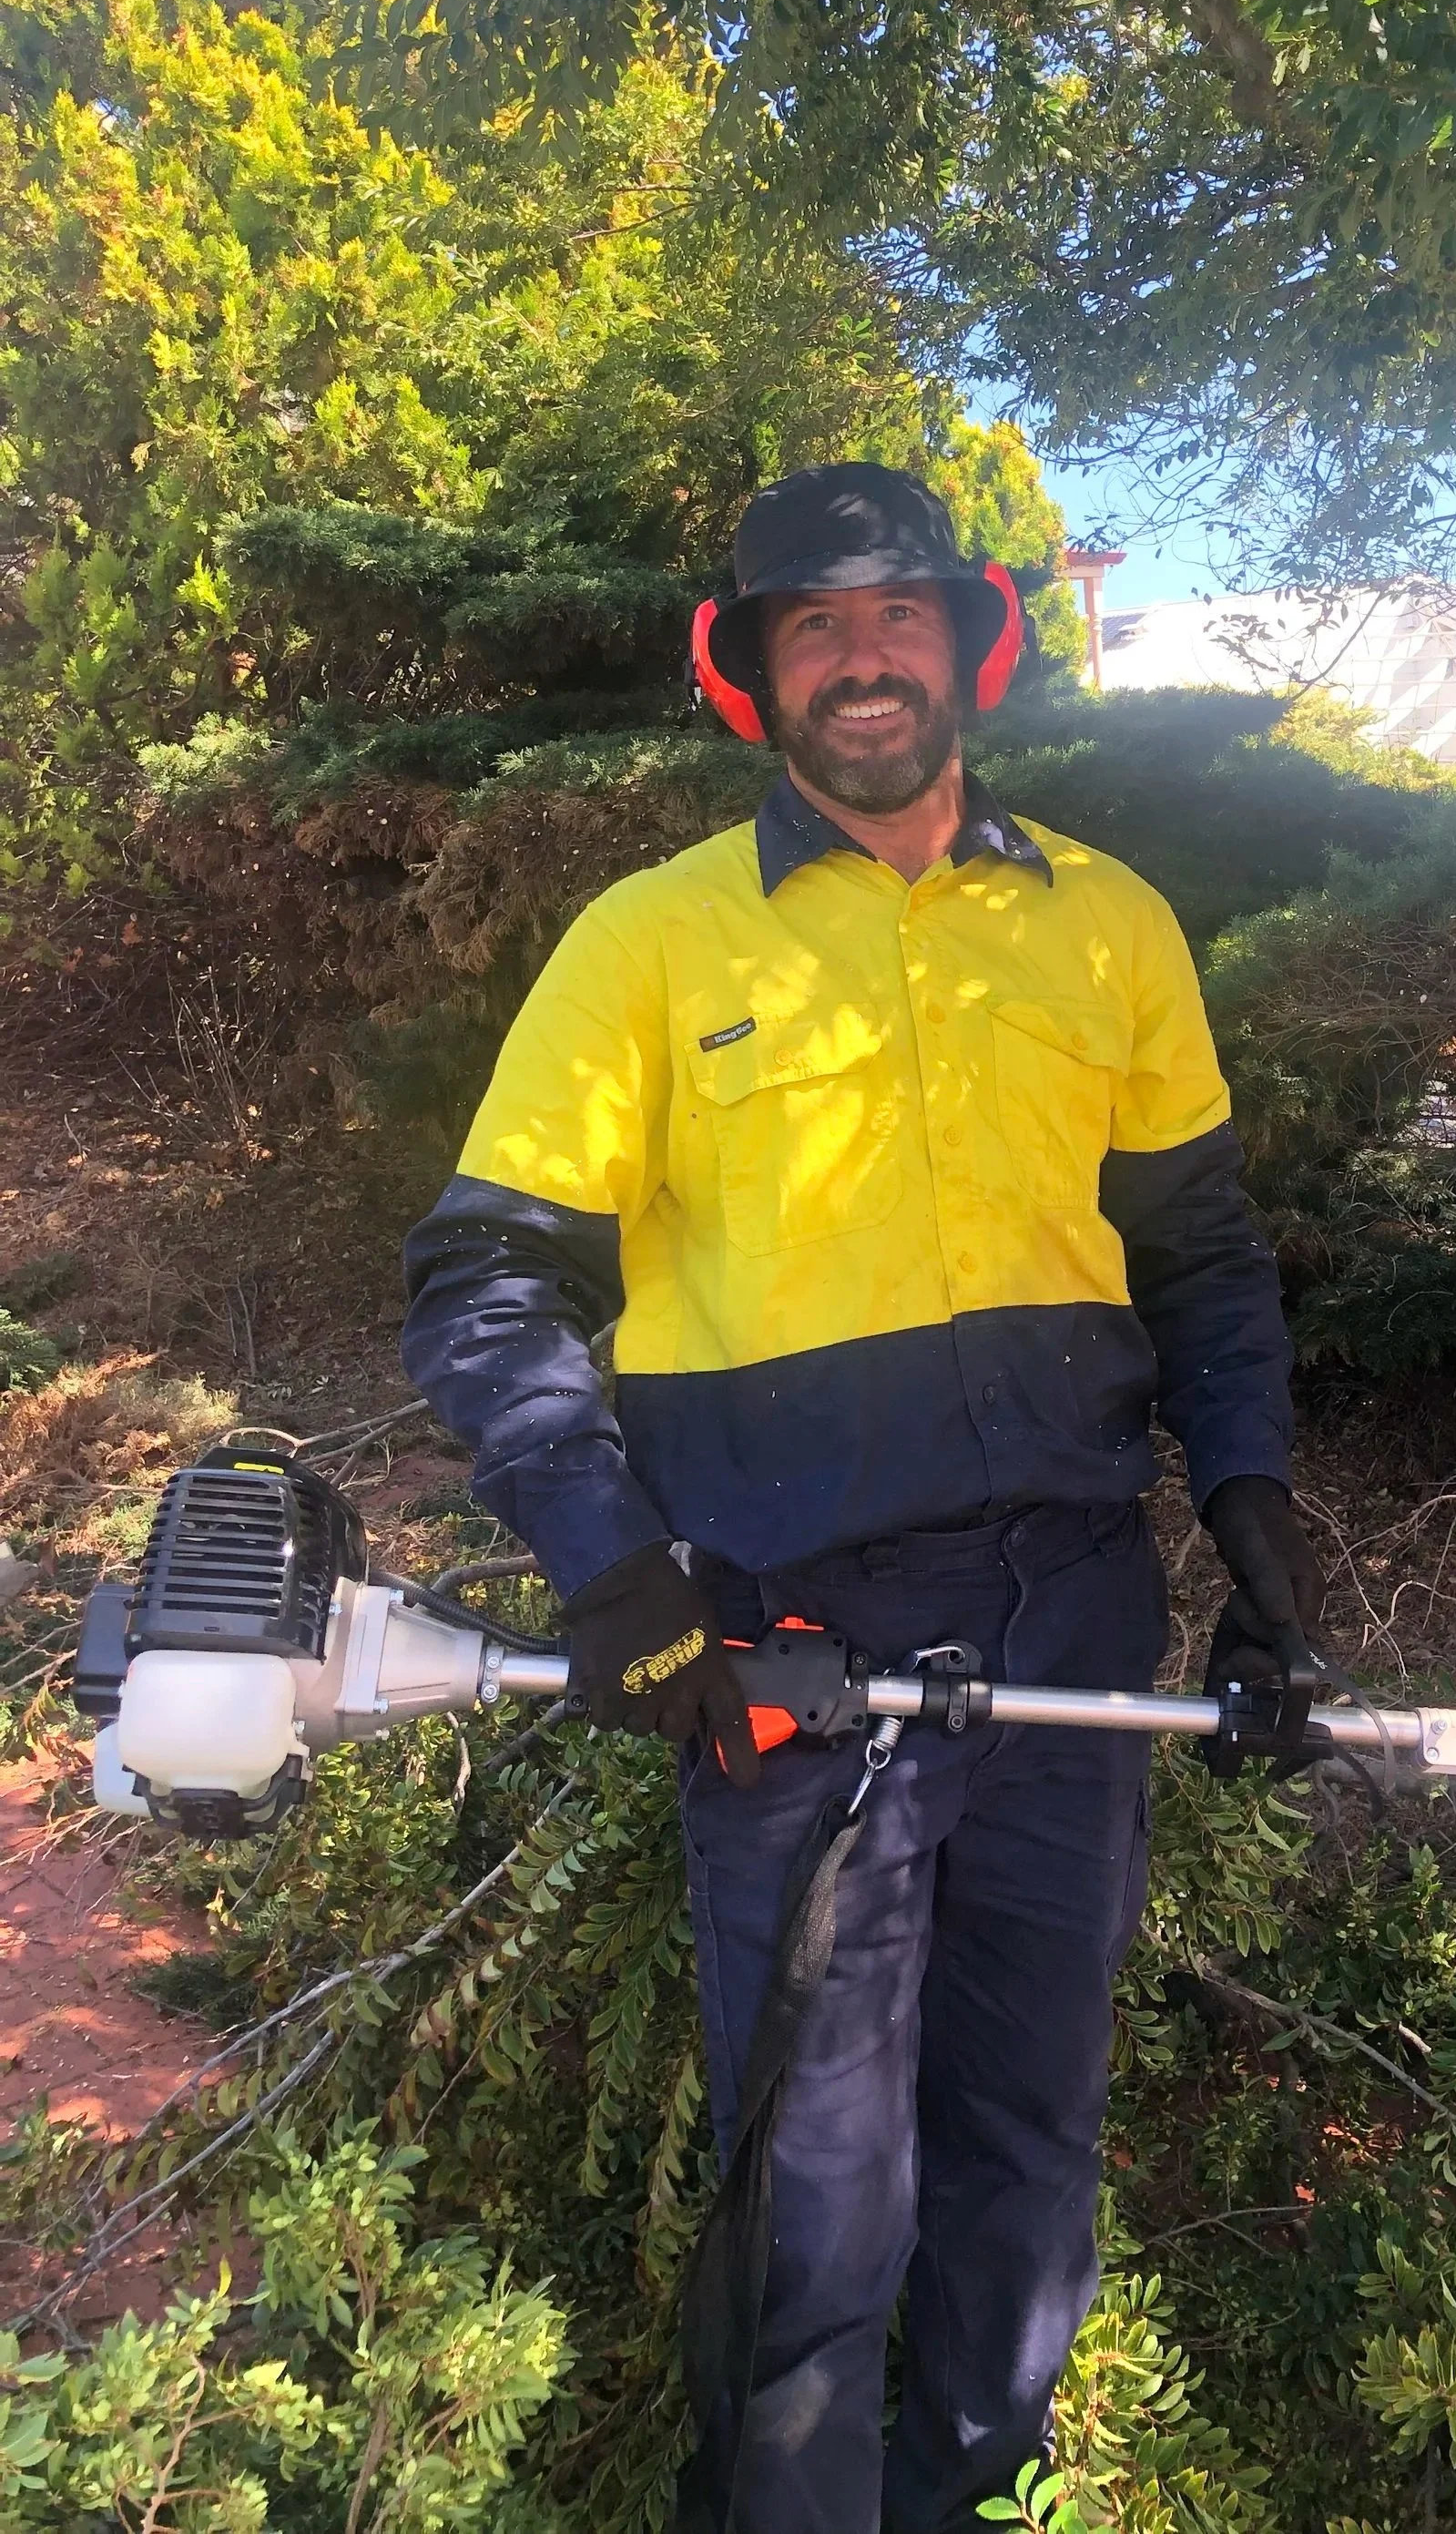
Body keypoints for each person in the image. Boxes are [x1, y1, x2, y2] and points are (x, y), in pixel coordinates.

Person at [399, 462, 1319, 2534]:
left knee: (1024, 2129)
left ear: (972, 639)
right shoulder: (648, 940)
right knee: (816, 2164)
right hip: (786, 1643)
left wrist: (1255, 1543)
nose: (860, 652)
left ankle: (969, 2491)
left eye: (894, 609)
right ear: (752, 674)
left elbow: (1201, 1259)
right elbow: (486, 1278)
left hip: (1075, 1610)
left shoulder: (1109, 923)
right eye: (809, 622)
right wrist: (618, 1576)